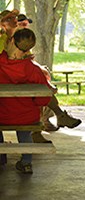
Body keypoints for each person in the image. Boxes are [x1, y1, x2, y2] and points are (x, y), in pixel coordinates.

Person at [0, 10, 82, 143]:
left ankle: (43, 127)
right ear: (3, 23)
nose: (16, 21)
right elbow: (17, 61)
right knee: (38, 92)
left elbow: (23, 59)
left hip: (17, 84)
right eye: (11, 19)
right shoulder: (6, 41)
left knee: (38, 88)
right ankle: (54, 118)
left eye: (17, 19)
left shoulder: (19, 38)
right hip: (10, 89)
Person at [0, 28, 52, 174]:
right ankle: (26, 162)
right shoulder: (33, 69)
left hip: (1, 115)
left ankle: (1, 158)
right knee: (25, 133)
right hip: (26, 116)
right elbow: (43, 98)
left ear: (10, 41)